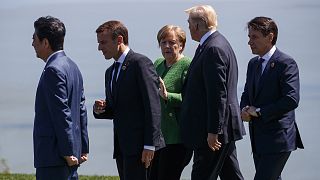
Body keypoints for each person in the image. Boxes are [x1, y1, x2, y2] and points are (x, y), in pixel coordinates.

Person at [93, 20, 165, 180]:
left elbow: (153, 105)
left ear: (119, 40)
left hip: (142, 148)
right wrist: (100, 110)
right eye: (99, 43)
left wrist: (150, 145)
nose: (99, 48)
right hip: (122, 148)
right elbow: (116, 108)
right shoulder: (110, 72)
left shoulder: (140, 63)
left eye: (103, 42)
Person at [180, 5, 246, 180]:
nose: (188, 27)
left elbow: (217, 94)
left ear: (197, 25)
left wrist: (213, 131)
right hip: (221, 127)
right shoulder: (215, 43)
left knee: (202, 174)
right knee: (231, 174)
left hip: (213, 131)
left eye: (189, 23)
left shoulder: (213, 48)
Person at [240, 16, 304, 180]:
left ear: (270, 37)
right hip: (258, 139)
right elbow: (247, 93)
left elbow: (291, 99)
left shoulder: (286, 63)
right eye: (249, 37)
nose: (249, 42)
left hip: (279, 140)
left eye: (254, 37)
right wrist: (244, 109)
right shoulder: (253, 64)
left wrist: (259, 112)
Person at [32, 16, 89, 180]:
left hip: (54, 156)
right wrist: (82, 147)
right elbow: (81, 110)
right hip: (69, 155)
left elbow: (61, 113)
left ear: (45, 43)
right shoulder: (73, 66)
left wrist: (67, 151)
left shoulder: (52, 70)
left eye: (34, 39)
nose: (32, 44)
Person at [149, 25, 193, 180]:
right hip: (158, 136)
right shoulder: (158, 63)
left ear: (181, 45)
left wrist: (168, 96)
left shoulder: (187, 65)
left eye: (172, 42)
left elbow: (193, 100)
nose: (167, 46)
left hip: (177, 138)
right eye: (163, 42)